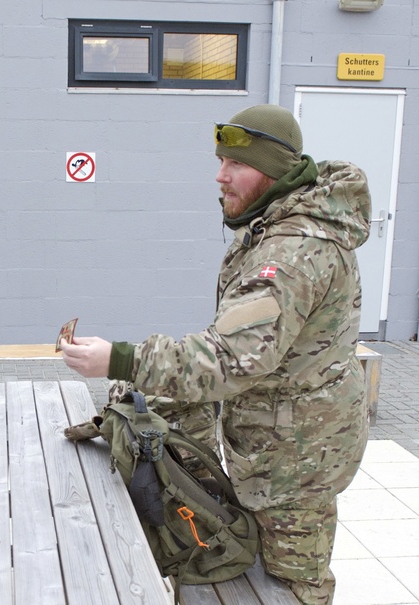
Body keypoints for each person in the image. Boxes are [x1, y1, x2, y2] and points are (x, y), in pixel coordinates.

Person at [60, 104, 371, 605]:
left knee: (292, 584)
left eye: (235, 165)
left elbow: (231, 359)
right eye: (220, 161)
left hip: (298, 458)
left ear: (272, 170)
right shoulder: (274, 223)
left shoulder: (292, 252)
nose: (220, 176)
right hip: (282, 437)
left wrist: (121, 360)